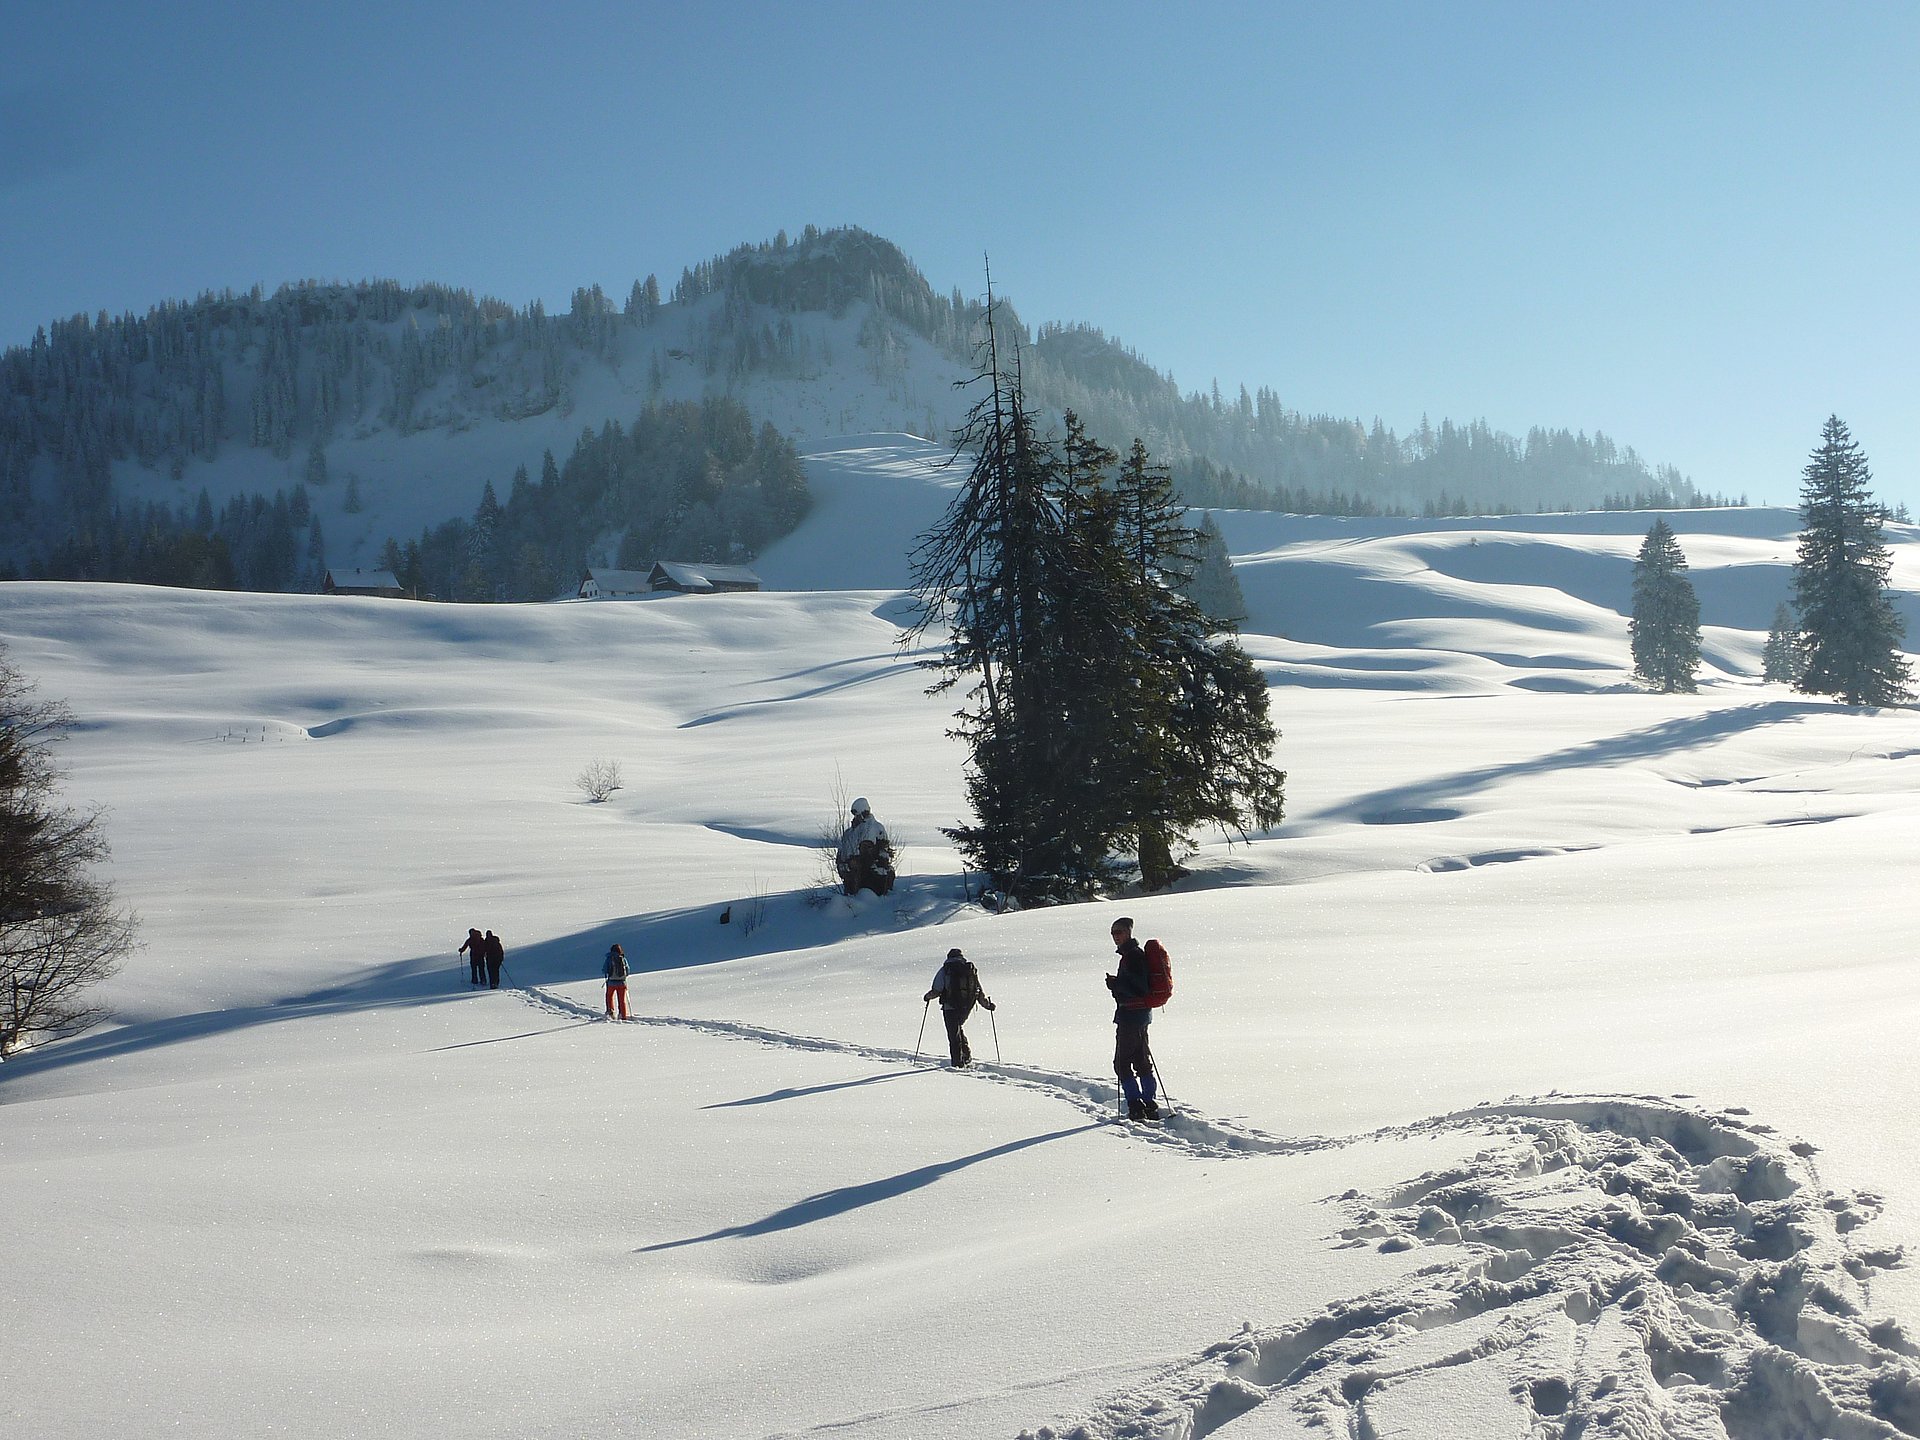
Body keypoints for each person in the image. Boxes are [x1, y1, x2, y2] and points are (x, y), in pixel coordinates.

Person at [1104, 916, 1159, 1121]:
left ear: (1128, 933)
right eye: (1112, 933)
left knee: (1121, 1063)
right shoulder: (1133, 955)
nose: (1115, 937)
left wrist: (1115, 985)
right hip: (1141, 1016)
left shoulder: (1133, 956)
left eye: (1118, 932)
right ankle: (1149, 1103)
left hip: (1130, 1018)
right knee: (1141, 1060)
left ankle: (1136, 1104)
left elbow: (1138, 988)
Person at [924, 946, 994, 1068]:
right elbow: (978, 990)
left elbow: (937, 989)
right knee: (958, 1028)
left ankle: (957, 1063)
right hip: (966, 1007)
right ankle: (966, 1056)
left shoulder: (946, 970)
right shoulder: (969, 970)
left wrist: (927, 997)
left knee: (953, 1034)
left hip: (950, 1006)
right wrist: (987, 1005)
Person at [835, 797, 894, 896]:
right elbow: (841, 852)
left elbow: (879, 853)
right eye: (855, 813)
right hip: (851, 876)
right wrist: (843, 865)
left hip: (871, 878)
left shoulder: (874, 828)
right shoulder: (849, 833)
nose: (857, 816)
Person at [603, 943, 631, 1020]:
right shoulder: (623, 958)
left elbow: (604, 969)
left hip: (611, 982)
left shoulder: (609, 958)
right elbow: (628, 970)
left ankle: (610, 1011)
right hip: (622, 982)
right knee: (622, 1000)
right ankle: (623, 1015)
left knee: (609, 996)